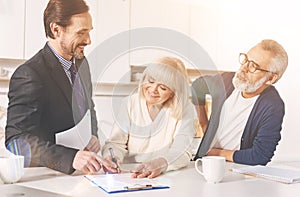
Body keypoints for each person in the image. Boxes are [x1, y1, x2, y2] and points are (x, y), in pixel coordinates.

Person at [5, 0, 116, 174]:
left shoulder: (81, 63)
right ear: (56, 30)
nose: (88, 40)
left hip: (81, 176)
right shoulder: (29, 74)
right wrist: (71, 158)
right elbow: (16, 139)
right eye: (81, 33)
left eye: (89, 32)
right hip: (46, 176)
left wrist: (93, 134)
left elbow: (89, 107)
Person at [192, 39, 288, 165]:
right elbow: (197, 86)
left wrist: (215, 153)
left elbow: (260, 156)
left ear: (271, 78)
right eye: (246, 60)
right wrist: (204, 124)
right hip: (203, 164)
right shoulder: (226, 81)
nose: (243, 68)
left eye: (254, 66)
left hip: (238, 173)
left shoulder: (273, 106)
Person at [102, 57, 195, 178]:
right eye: (150, 81)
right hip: (130, 175)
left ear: (173, 92)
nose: (153, 90)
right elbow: (115, 144)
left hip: (165, 175)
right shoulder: (129, 103)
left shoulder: (184, 110)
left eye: (163, 88)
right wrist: (112, 157)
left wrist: (161, 163)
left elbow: (182, 151)